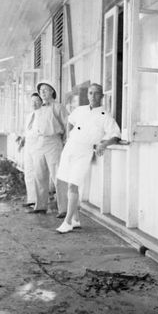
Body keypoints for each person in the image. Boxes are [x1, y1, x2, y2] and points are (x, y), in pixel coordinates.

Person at [55, 83, 121, 233]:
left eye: (96, 93)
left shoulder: (105, 115)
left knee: (74, 184)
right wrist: (66, 138)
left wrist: (104, 144)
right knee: (66, 181)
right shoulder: (80, 110)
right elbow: (69, 122)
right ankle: (76, 219)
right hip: (70, 147)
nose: (93, 96)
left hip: (84, 151)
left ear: (102, 96)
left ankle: (67, 222)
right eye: (90, 93)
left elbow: (116, 135)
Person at [28, 80, 69, 216]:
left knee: (58, 176)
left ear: (52, 91)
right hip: (39, 144)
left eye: (45, 90)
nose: (42, 93)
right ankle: (40, 206)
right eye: (41, 91)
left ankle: (63, 209)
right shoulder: (38, 109)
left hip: (53, 143)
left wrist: (65, 142)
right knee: (39, 175)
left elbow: (68, 126)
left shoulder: (58, 107)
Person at [18, 92, 43, 207]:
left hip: (38, 146)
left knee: (38, 173)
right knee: (28, 172)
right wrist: (22, 140)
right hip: (28, 145)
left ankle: (40, 201)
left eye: (36, 101)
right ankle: (31, 199)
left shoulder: (44, 114)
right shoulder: (29, 115)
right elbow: (27, 131)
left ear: (41, 101)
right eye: (32, 101)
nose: (34, 103)